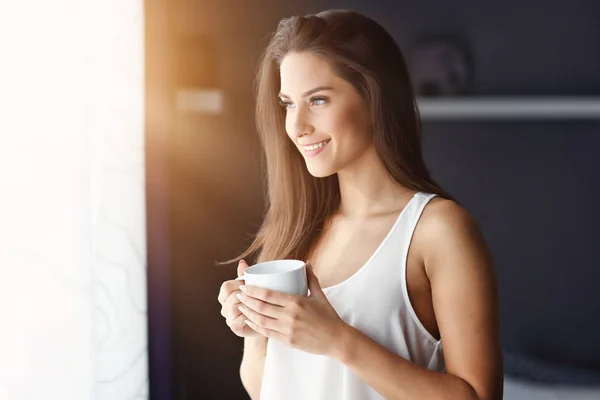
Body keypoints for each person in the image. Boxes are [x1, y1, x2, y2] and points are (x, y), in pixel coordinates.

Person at [217, 9, 503, 400]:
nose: (296, 126)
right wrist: (254, 331)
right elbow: (267, 387)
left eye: (317, 100)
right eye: (287, 104)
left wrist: (339, 340)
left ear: (373, 97)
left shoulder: (437, 230)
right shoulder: (294, 232)